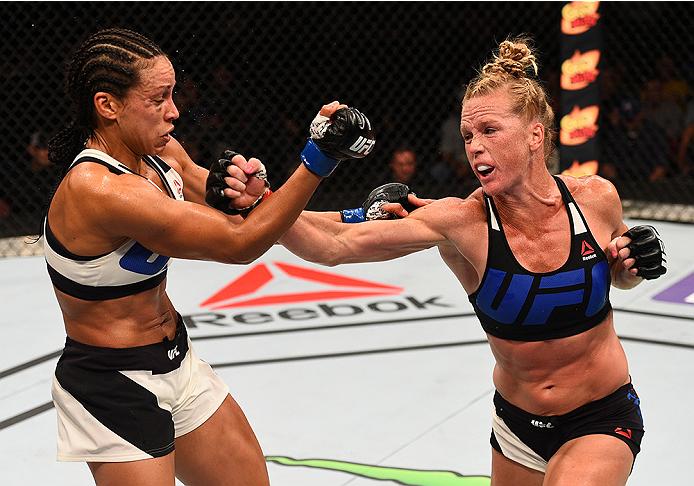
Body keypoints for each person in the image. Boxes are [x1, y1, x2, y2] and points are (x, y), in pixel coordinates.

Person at [225, 37, 667, 486]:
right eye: (468, 136)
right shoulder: (462, 223)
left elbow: (616, 278)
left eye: (489, 131)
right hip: (516, 427)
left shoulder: (596, 198)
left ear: (536, 133)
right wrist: (264, 200)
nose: (474, 147)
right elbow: (333, 244)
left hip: (601, 417)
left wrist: (632, 267)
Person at [42, 27, 373, 486]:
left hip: (178, 360)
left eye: (173, 95)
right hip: (113, 386)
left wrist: (355, 215)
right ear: (108, 105)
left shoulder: (161, 155)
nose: (174, 112)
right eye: (158, 99)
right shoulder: (99, 189)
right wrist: (318, 158)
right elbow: (241, 242)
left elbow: (254, 212)